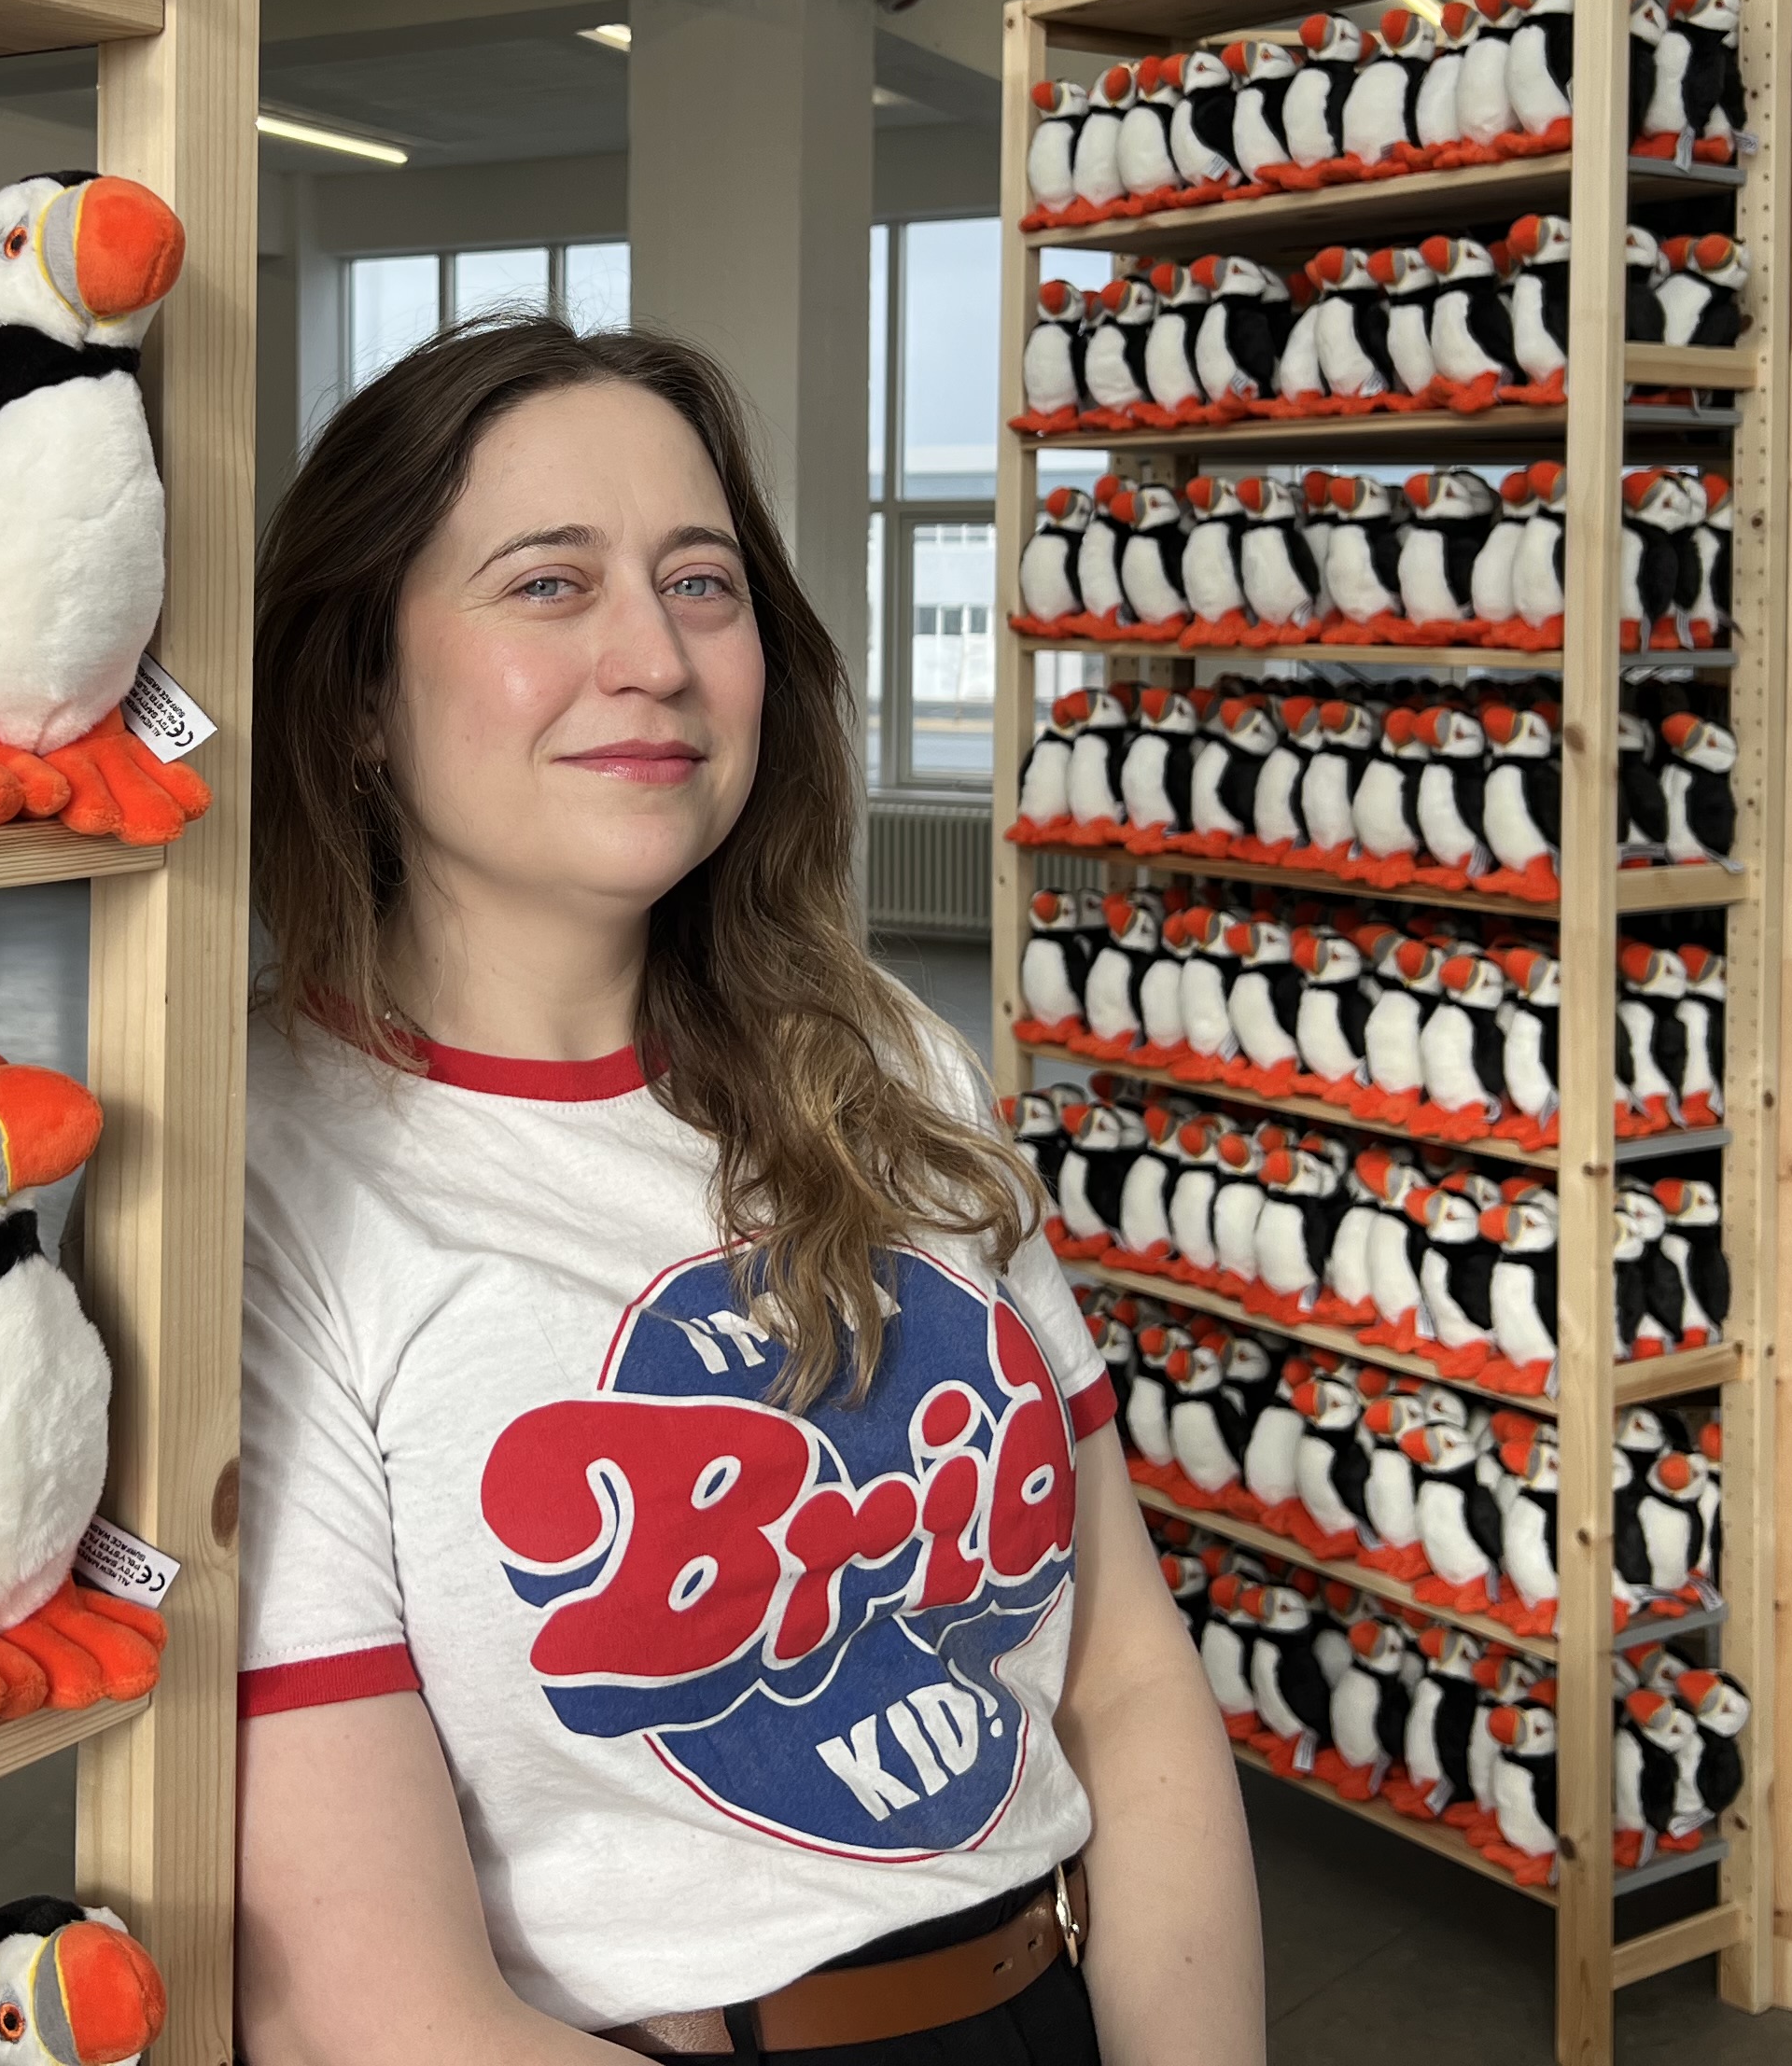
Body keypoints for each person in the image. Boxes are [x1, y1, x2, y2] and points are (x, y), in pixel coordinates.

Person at [235, 316, 1261, 2066]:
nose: (655, 656)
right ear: (351, 700)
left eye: (699, 583)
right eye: (548, 585)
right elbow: (367, 2000)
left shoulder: (882, 1063)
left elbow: (1127, 1679)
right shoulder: (270, 1177)